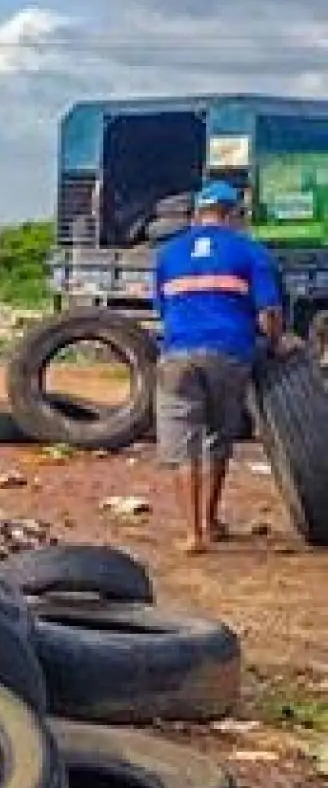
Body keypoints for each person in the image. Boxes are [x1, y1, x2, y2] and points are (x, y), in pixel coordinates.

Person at [152, 180, 285, 554]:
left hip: (178, 354)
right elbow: (269, 313)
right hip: (229, 354)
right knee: (217, 440)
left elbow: (162, 309)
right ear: (233, 214)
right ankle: (210, 523)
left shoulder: (167, 254)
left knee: (183, 445)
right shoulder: (251, 252)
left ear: (197, 214)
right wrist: (275, 344)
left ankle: (192, 534)